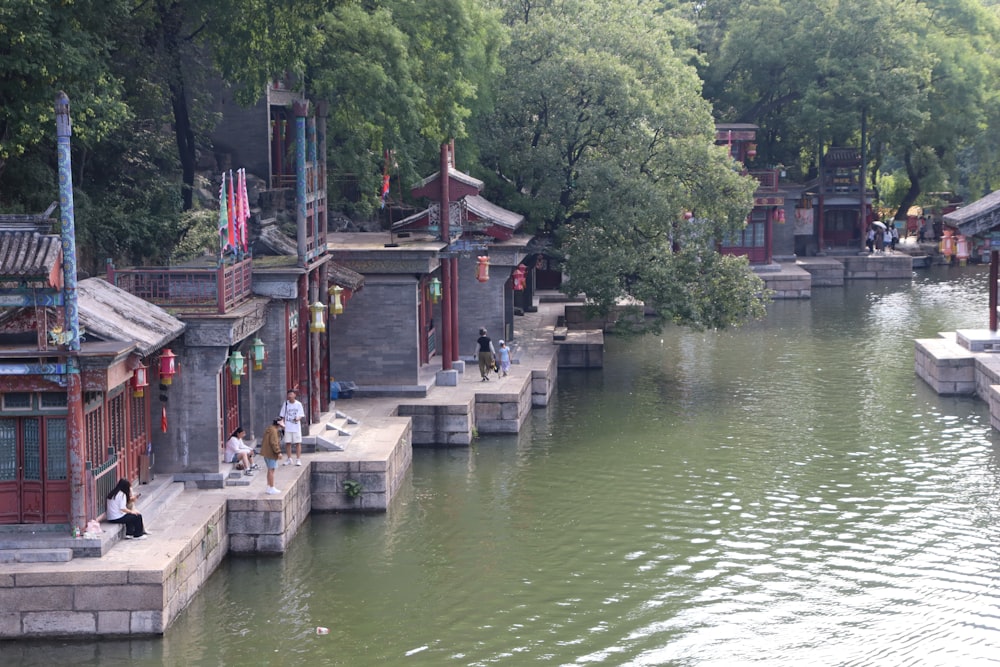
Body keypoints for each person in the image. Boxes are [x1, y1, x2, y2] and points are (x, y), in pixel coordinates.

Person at [280, 389, 305, 466]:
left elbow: (301, 414)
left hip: (296, 426)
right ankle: (289, 458)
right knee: (288, 443)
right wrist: (282, 425)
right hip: (288, 426)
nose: (290, 396)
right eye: (289, 394)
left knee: (298, 443)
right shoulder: (286, 404)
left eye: (291, 394)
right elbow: (282, 415)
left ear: (294, 395)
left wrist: (298, 418)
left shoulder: (298, 404)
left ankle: (298, 459)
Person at [262, 418, 284, 494]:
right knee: (272, 470)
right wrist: (278, 452)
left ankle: (269, 486)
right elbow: (274, 443)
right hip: (271, 453)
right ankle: (271, 487)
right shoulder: (274, 431)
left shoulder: (269, 429)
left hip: (266, 453)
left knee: (269, 469)